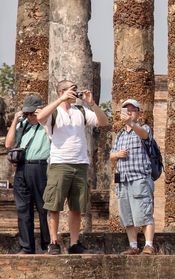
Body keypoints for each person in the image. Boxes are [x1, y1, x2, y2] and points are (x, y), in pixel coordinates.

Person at [37, 80, 110, 255]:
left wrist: (91, 103)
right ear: (61, 91)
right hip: (60, 163)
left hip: (80, 164)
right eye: (71, 89)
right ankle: (54, 242)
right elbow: (40, 118)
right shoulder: (53, 113)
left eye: (75, 90)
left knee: (77, 207)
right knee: (54, 205)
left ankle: (75, 242)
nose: (74, 93)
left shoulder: (82, 111)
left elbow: (104, 122)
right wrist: (60, 99)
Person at [110, 99, 156, 255]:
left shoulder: (144, 128)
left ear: (138, 112)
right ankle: (133, 246)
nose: (129, 112)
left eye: (132, 110)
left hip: (139, 178)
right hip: (123, 179)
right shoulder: (120, 134)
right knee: (127, 215)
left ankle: (149, 245)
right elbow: (111, 154)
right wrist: (116, 154)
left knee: (144, 213)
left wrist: (132, 123)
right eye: (126, 110)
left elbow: (144, 136)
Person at [5, 95, 51, 254]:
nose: (30, 117)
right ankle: (26, 246)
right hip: (22, 168)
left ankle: (47, 244)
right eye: (28, 114)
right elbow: (8, 144)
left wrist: (42, 118)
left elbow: (54, 139)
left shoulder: (47, 125)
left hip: (41, 167)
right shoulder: (23, 125)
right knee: (23, 209)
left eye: (33, 114)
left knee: (44, 208)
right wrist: (15, 121)